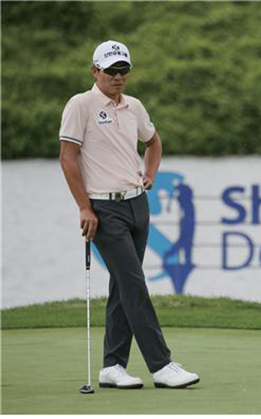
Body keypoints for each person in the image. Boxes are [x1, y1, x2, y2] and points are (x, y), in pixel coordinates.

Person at [59, 40, 200, 389]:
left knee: (123, 286)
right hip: (104, 209)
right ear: (95, 71)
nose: (118, 77)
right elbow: (67, 158)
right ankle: (161, 366)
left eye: (124, 70)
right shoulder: (81, 104)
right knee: (134, 285)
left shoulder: (134, 106)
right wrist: (84, 206)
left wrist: (150, 173)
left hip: (138, 205)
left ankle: (113, 366)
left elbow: (153, 142)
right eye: (111, 71)